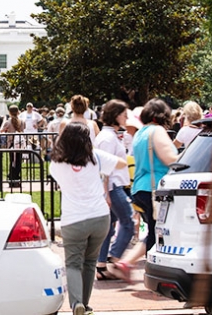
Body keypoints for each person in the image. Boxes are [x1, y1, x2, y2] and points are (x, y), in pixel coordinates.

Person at [50, 122, 127, 315]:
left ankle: (77, 304)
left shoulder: (56, 163)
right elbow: (122, 163)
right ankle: (86, 303)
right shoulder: (96, 158)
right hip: (99, 216)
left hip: (73, 219)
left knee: (73, 263)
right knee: (90, 262)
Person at [110, 99, 178, 283]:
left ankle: (127, 262)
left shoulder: (141, 133)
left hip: (141, 188)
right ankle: (153, 273)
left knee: (153, 232)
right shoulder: (157, 131)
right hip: (155, 189)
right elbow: (170, 158)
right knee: (158, 234)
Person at [94, 100, 135, 280]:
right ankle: (114, 256)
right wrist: (106, 193)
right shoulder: (107, 138)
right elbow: (103, 167)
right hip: (113, 187)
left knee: (109, 228)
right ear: (115, 115)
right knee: (128, 221)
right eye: (124, 114)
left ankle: (102, 264)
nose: (127, 118)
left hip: (114, 186)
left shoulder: (110, 136)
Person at [1, 105, 25, 187]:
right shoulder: (22, 121)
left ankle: (12, 179)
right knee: (18, 162)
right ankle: (17, 179)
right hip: (20, 144)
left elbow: (1, 131)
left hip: (11, 143)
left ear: (10, 112)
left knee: (12, 162)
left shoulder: (8, 122)